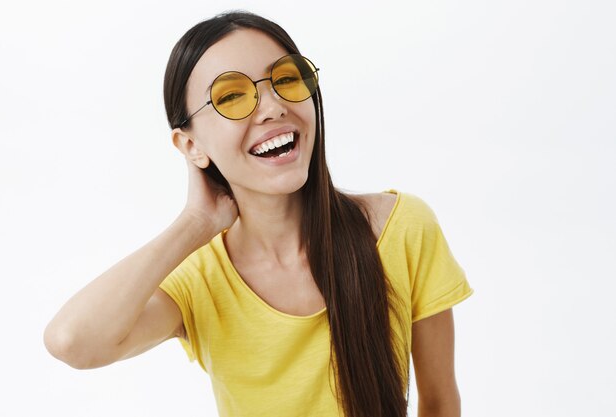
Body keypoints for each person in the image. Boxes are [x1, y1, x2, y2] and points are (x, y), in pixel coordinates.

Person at [43, 10, 474, 417]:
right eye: (231, 97)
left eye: (286, 79)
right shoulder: (199, 278)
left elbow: (439, 403)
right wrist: (195, 223)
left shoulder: (403, 229)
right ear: (191, 145)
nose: (272, 107)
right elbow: (72, 342)